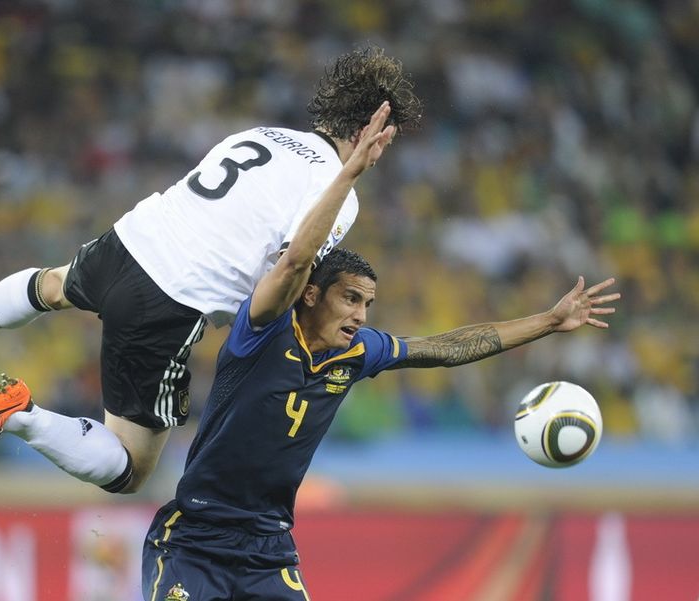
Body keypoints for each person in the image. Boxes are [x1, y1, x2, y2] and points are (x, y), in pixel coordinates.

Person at [0, 46, 422, 494]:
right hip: (170, 302)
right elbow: (291, 265)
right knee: (131, 467)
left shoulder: (265, 135)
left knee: (52, 285)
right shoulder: (338, 192)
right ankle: (19, 415)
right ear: (369, 132)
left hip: (130, 240)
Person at [139, 132, 621, 598]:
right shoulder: (261, 331)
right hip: (194, 539)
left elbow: (447, 347)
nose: (361, 315)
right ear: (311, 295)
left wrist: (547, 321)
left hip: (268, 549)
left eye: (367, 303)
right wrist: (347, 175)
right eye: (350, 298)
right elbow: (292, 263)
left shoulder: (359, 351)